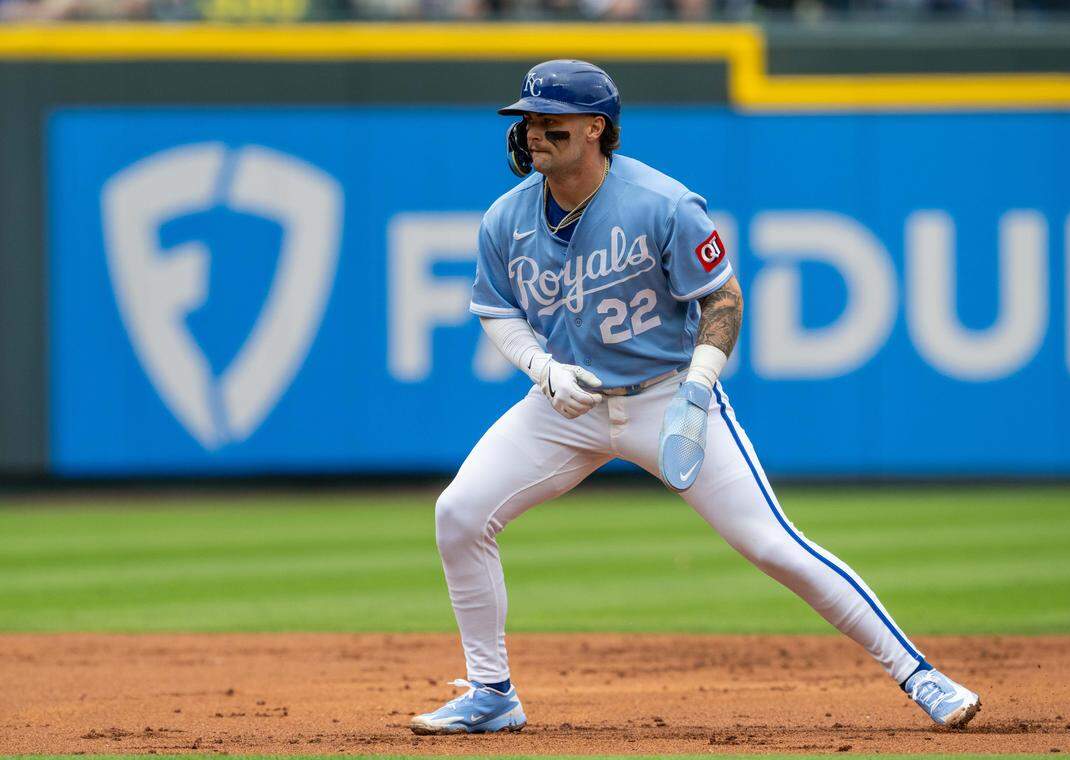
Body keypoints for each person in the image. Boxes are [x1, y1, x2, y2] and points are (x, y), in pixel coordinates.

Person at [410, 59, 981, 736]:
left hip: (667, 397)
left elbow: (723, 299)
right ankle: (491, 693)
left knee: (772, 544)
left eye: (550, 118)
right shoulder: (506, 218)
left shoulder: (662, 204)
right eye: (528, 118)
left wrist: (698, 389)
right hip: (571, 404)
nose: (534, 130)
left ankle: (921, 675)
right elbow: (496, 308)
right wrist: (542, 368)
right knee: (459, 514)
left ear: (595, 128)